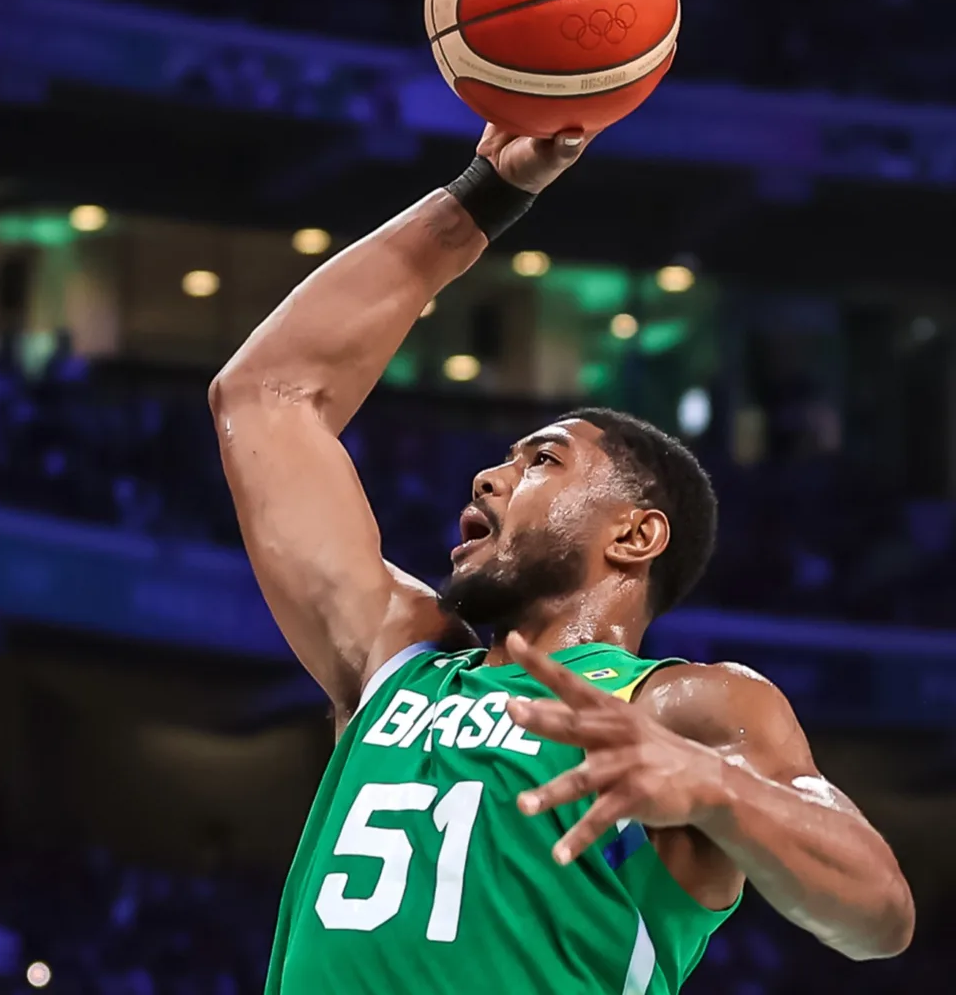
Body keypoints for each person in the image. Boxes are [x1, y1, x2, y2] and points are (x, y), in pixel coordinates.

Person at [209, 124, 914, 992]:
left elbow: (879, 915)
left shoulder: (684, 703)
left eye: (541, 460)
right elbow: (266, 395)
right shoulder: (394, 659)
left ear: (634, 535)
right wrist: (483, 195)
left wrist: (710, 789)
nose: (490, 476)